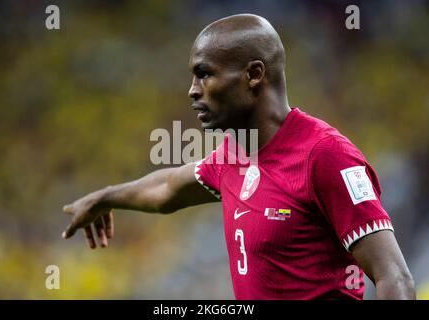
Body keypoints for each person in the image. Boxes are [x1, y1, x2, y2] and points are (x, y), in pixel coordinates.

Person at [62, 14, 415, 299]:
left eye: (204, 74)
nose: (192, 90)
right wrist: (105, 197)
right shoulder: (234, 155)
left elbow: (395, 279)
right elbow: (167, 187)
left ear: (254, 75)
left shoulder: (326, 156)